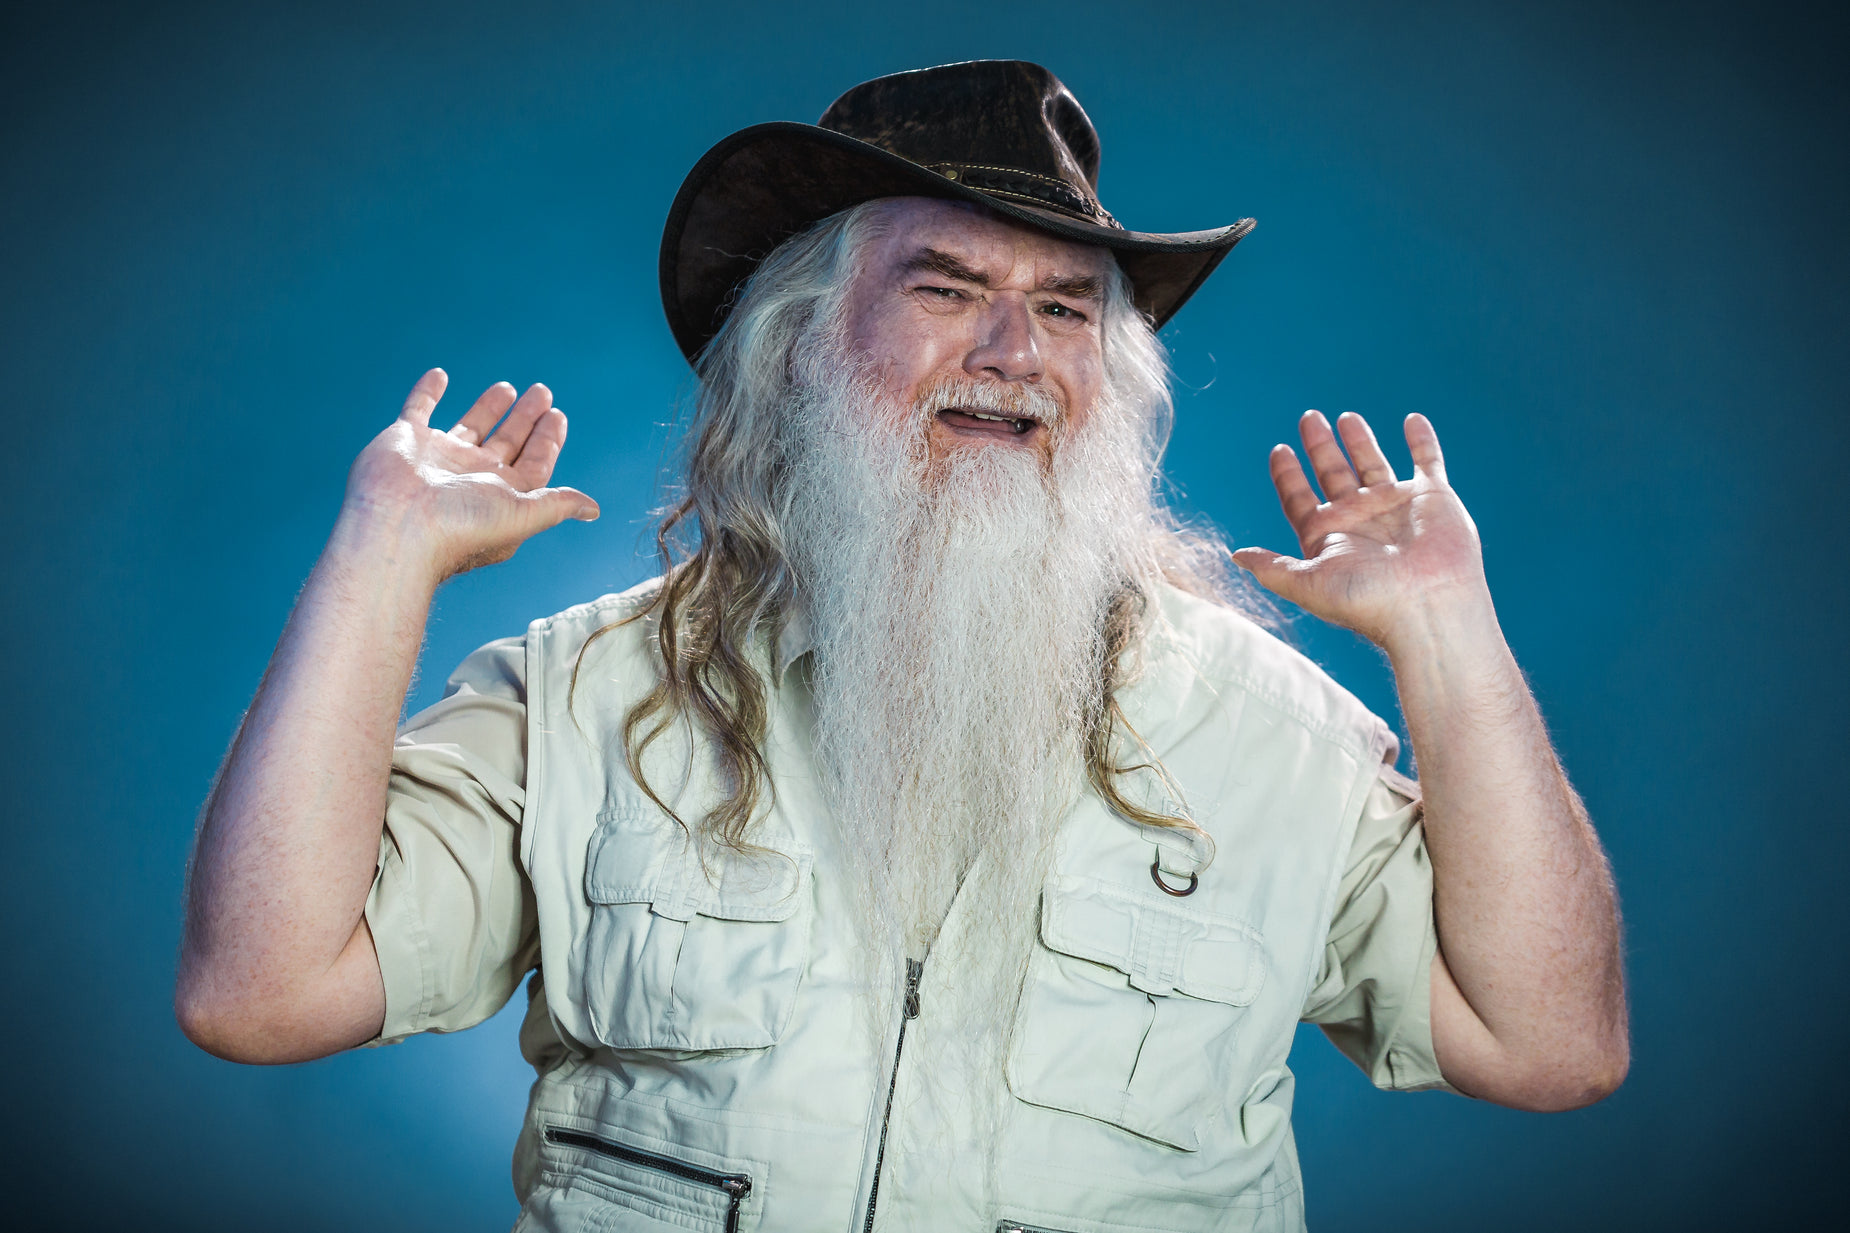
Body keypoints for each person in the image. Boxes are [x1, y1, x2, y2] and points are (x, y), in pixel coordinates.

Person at [176, 60, 1627, 1232]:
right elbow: (260, 991)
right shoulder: (579, 700)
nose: (1014, 349)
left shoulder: (1272, 737)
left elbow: (1549, 1043)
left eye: (1065, 308)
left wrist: (1448, 633)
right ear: (798, 344)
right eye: (945, 289)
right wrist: (380, 562)